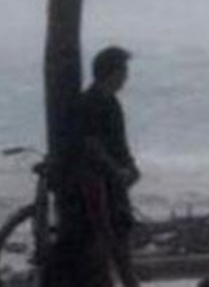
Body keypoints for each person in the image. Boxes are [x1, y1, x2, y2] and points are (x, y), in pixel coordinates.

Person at [75, 45, 141, 287]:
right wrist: (116, 172)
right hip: (98, 182)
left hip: (115, 181)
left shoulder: (111, 102)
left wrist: (131, 167)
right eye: (123, 71)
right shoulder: (90, 103)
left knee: (121, 240)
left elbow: (120, 143)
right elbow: (91, 146)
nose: (126, 78)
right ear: (112, 73)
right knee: (105, 242)